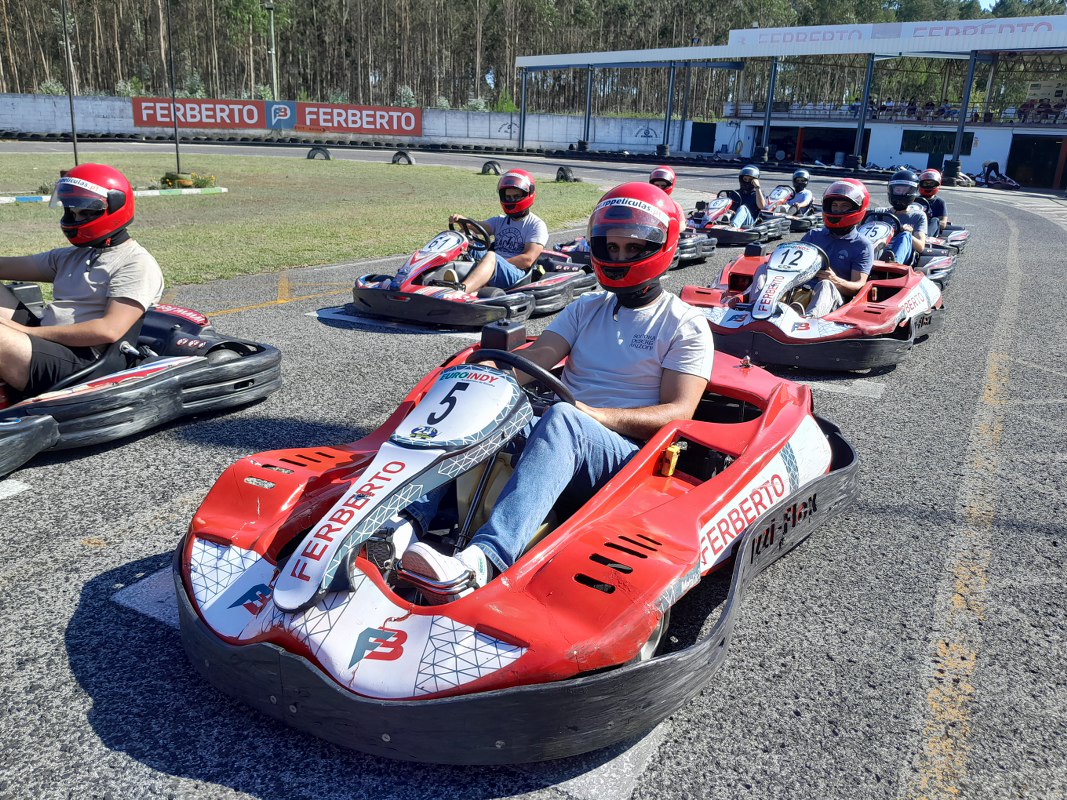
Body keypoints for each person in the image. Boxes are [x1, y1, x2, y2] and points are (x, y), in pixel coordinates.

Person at [401, 182, 714, 601]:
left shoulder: (684, 324)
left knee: (564, 419)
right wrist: (479, 383)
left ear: (661, 248)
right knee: (480, 411)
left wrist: (594, 415)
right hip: (565, 428)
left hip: (628, 457)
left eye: (632, 248)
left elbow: (679, 414)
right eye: (611, 247)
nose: (619, 257)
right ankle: (404, 526)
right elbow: (540, 358)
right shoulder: (585, 308)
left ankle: (484, 561)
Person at [0, 163, 164, 400]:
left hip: (83, 362)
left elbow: (108, 330)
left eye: (85, 211)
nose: (75, 217)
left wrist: (25, 332)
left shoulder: (136, 263)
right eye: (72, 211)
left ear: (114, 207)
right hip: (45, 342)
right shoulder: (71, 256)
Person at [445, 168, 548, 295]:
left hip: (516, 274)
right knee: (464, 236)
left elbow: (528, 260)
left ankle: (461, 290)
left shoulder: (536, 225)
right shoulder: (500, 220)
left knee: (491, 255)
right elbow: (477, 227)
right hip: (493, 264)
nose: (511, 200)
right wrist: (463, 221)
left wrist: (493, 263)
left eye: (515, 196)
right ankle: (430, 274)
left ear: (527, 195)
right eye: (508, 197)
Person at [794, 179, 874, 318]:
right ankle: (756, 311)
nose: (837, 210)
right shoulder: (813, 235)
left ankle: (807, 322)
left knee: (825, 285)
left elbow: (859, 286)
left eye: (844, 206)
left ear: (857, 208)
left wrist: (835, 280)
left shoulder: (862, 245)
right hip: (803, 291)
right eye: (835, 205)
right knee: (764, 271)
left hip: (836, 300)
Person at [880, 169, 927, 264]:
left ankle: (892, 265)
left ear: (913, 191)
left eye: (905, 190)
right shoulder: (879, 213)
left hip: (901, 257)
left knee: (905, 236)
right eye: (898, 190)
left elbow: (921, 247)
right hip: (878, 250)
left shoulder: (918, 216)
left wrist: (908, 233)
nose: (900, 194)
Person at [918, 168, 949, 237]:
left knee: (935, 220)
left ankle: (924, 238)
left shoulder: (939, 202)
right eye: (925, 183)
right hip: (916, 227)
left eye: (931, 183)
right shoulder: (915, 200)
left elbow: (943, 223)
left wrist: (926, 223)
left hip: (931, 230)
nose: (928, 186)